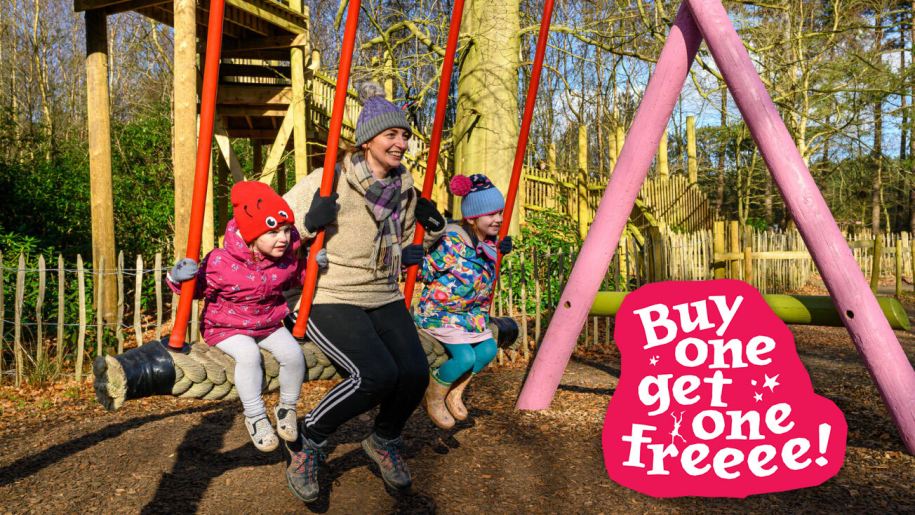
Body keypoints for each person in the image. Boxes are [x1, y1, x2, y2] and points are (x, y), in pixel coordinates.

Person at [281, 82, 447, 501]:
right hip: (330, 294)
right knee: (375, 376)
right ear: (368, 139)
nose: (401, 143)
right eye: (392, 135)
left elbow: (409, 248)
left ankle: (384, 439)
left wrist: (434, 229)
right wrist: (307, 225)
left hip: (383, 292)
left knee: (413, 373)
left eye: (405, 135)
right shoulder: (328, 180)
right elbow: (272, 228)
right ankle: (309, 439)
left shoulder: (405, 190)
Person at [168, 181, 325, 452]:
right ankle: (255, 416)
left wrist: (312, 267)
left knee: (293, 356)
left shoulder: (284, 261)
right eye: (274, 232)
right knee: (249, 356)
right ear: (251, 234)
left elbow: (297, 277)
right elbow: (196, 289)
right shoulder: (220, 262)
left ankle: (286, 408)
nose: (284, 239)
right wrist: (176, 278)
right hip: (226, 327)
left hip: (266, 323)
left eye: (287, 231)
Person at [413, 174, 512, 429]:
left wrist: (500, 249)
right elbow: (427, 272)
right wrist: (413, 261)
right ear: (472, 218)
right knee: (466, 358)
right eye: (491, 214)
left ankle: (455, 392)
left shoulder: (488, 244)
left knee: (489, 349)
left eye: (499, 213)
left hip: (468, 316)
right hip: (440, 313)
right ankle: (434, 395)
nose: (498, 219)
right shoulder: (452, 242)